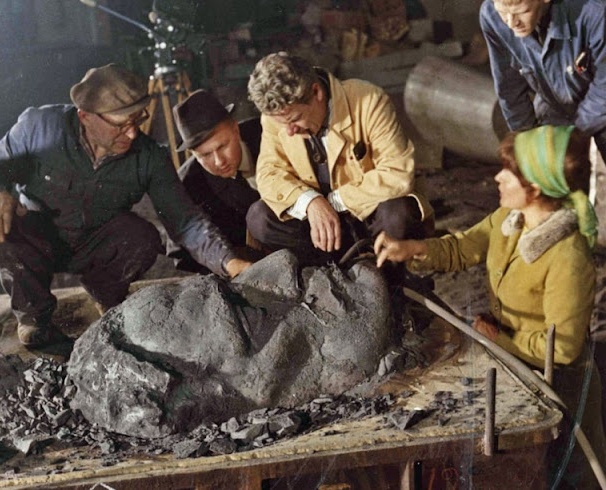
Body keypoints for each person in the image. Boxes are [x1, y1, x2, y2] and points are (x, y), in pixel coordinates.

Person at [375, 125, 605, 488]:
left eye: (508, 172)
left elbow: (562, 348)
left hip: (560, 387)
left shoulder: (568, 256)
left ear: (535, 187)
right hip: (515, 364)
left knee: (566, 477)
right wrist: (413, 249)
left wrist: (496, 337)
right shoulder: (509, 221)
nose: (496, 177)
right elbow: (463, 247)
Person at [0, 64, 251, 348]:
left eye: (137, 121)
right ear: (86, 117)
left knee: (143, 237)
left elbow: (186, 222)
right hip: (38, 238)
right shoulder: (39, 128)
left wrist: (229, 262)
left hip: (95, 243)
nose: (131, 134)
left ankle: (105, 295)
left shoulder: (150, 157)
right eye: (120, 125)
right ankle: (34, 318)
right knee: (2, 233)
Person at [245, 52, 432, 271]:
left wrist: (332, 202)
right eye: (282, 124)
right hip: (319, 233)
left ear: (316, 92)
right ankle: (325, 280)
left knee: (399, 212)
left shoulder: (369, 100)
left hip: (370, 222)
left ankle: (389, 280)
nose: (289, 131)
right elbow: (268, 175)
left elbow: (397, 173)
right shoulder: (275, 116)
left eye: (295, 119)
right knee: (259, 217)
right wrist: (311, 203)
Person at [480, 0, 606, 156]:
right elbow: (508, 86)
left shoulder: (595, 12)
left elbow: (604, 87)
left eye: (522, 12)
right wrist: (525, 140)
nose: (512, 23)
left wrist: (573, 136)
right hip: (554, 105)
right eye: (503, 12)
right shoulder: (491, 15)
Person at [168, 89, 261, 270]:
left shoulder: (267, 134)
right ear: (192, 153)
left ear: (236, 129)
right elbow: (181, 254)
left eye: (222, 146)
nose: (219, 161)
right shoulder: (187, 184)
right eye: (205, 155)